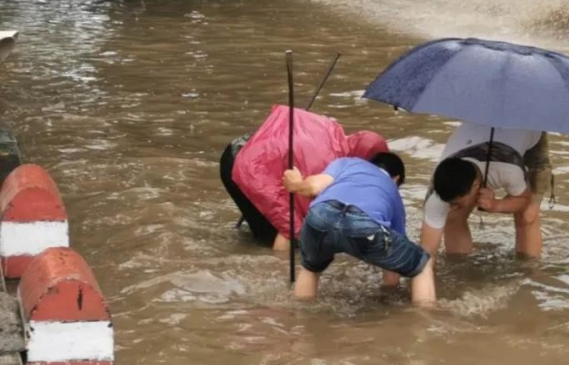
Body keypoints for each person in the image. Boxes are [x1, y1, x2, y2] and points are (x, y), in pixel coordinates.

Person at [219, 107, 389, 251]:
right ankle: (276, 269)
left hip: (244, 144)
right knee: (293, 230)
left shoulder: (331, 127)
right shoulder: (329, 167)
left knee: (266, 225)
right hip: (244, 165)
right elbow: (296, 217)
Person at [283, 154, 436, 305]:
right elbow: (392, 275)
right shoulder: (393, 193)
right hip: (363, 224)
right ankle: (424, 322)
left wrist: (296, 184)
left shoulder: (346, 163)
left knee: (310, 269)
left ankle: (300, 321)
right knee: (422, 265)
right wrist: (389, 296)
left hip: (321, 214)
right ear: (396, 179)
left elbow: (313, 188)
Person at [419, 123, 552, 260]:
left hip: (529, 131)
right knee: (453, 216)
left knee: (527, 215)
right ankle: (460, 267)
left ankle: (528, 271)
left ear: (476, 186)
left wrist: (496, 205)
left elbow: (524, 200)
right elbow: (426, 253)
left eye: (456, 202)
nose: (451, 206)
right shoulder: (436, 194)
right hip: (475, 132)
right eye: (449, 202)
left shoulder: (509, 170)